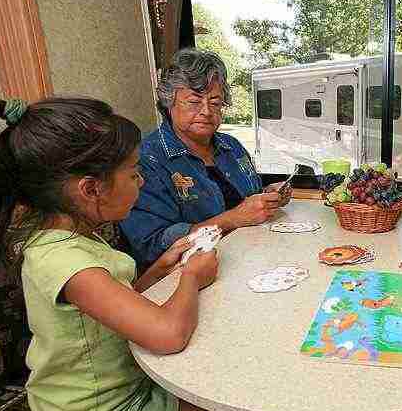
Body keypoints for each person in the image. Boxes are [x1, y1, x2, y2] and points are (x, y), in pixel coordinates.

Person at [0, 98, 269, 411]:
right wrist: (192, 276)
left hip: (117, 394)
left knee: (225, 397)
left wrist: (160, 268)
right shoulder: (66, 260)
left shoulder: (71, 237)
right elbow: (169, 334)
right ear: (91, 189)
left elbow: (113, 306)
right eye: (133, 173)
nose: (141, 181)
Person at [120, 48, 290, 268]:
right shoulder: (146, 160)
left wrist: (267, 197)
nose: (207, 111)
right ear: (169, 103)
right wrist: (233, 218)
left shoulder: (232, 146)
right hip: (189, 273)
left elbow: (249, 199)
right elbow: (153, 244)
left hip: (249, 257)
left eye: (215, 102)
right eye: (194, 101)